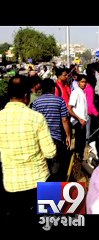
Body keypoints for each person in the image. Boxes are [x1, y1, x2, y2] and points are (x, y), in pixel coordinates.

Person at [0, 75, 56, 216]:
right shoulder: (36, 118)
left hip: (12, 184)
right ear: (26, 96)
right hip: (40, 180)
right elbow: (50, 152)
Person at [32, 78, 71, 181]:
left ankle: (44, 193)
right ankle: (54, 193)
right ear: (53, 88)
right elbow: (65, 120)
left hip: (41, 139)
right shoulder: (59, 101)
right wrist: (68, 136)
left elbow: (33, 121)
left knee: (44, 167)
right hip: (56, 138)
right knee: (56, 168)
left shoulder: (36, 102)